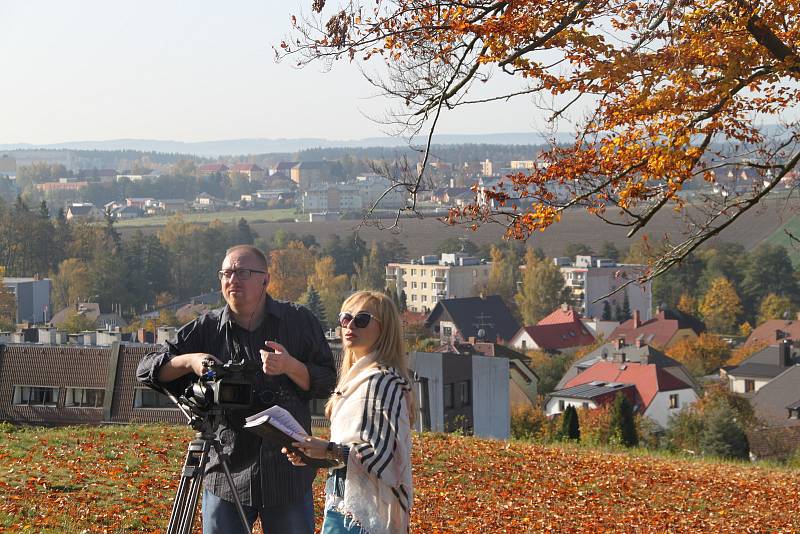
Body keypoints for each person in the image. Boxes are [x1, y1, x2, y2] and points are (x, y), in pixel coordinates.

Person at [136, 244, 336, 534]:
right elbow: (148, 369)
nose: (233, 280)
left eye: (242, 272)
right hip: (226, 467)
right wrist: (191, 361)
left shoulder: (298, 321)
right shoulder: (207, 328)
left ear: (265, 279)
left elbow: (328, 381)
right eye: (226, 273)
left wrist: (290, 366)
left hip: (287, 471)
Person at [284, 290, 414, 534]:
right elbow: (350, 449)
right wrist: (315, 456)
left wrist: (328, 450)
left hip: (369, 514)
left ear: (384, 329)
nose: (350, 325)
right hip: (341, 500)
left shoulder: (384, 382)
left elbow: (386, 456)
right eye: (345, 318)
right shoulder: (353, 380)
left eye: (362, 319)